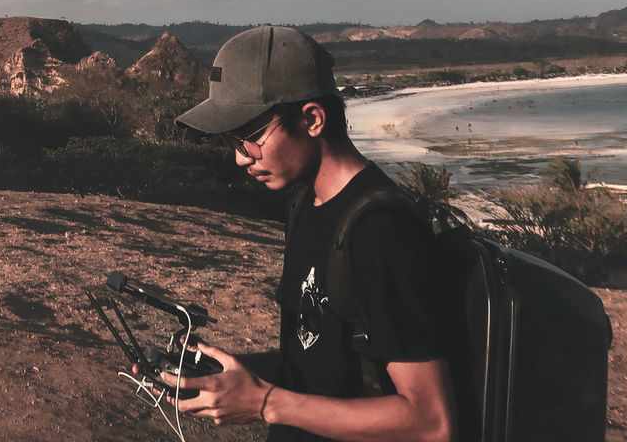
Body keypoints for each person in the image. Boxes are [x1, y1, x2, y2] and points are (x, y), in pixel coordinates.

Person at [170, 24, 456, 442]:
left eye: (250, 136)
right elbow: (319, 365)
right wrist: (227, 377)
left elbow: (432, 423)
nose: (239, 159)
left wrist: (265, 403)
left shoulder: (379, 232)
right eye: (232, 140)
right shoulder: (306, 205)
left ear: (313, 119)